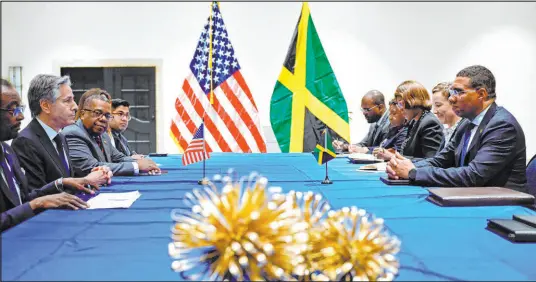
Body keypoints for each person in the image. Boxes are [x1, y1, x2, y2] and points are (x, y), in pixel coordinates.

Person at [386, 65, 527, 191]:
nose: (452, 99)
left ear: (481, 94)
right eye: (452, 92)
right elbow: (441, 160)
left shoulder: (502, 126)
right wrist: (404, 165)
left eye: (459, 92)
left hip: (503, 206)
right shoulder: (467, 122)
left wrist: (414, 173)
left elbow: (473, 175)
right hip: (471, 196)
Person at [1, 78, 96, 232]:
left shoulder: (6, 150)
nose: (21, 117)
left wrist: (61, 183)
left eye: (20, 109)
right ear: (45, 105)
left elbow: (23, 198)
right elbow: (28, 203)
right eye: (13, 110)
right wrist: (37, 203)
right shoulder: (24, 141)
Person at [11, 74, 112, 191]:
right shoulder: (26, 142)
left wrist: (90, 179)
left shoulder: (60, 136)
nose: (75, 107)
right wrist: (86, 180)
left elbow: (67, 180)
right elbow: (35, 196)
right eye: (67, 100)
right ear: (45, 106)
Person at [63, 88, 160, 176]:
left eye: (107, 115)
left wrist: (144, 163)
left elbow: (118, 158)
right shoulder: (73, 133)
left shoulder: (103, 135)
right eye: (97, 113)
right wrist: (136, 166)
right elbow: (91, 167)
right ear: (83, 114)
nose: (103, 119)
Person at [376, 80, 444, 160]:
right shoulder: (413, 122)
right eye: (398, 104)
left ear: (412, 101)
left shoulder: (429, 123)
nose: (400, 109)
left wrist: (393, 157)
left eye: (401, 104)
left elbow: (431, 161)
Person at [432, 82, 462, 150]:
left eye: (438, 105)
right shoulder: (447, 130)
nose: (434, 111)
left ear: (453, 102)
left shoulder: (463, 131)